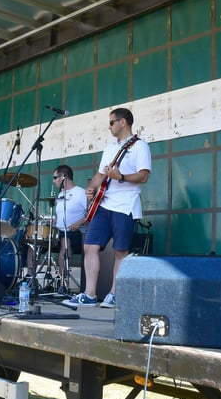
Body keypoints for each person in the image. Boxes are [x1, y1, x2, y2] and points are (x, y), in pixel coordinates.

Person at [64, 108, 151, 308]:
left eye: (112, 122)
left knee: (120, 251)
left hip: (125, 205)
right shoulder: (110, 148)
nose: (109, 126)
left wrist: (121, 177)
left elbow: (144, 175)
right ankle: (90, 294)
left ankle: (114, 294)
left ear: (123, 122)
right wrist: (91, 187)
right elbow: (100, 174)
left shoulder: (140, 146)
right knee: (89, 246)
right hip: (103, 205)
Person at [52, 165, 87, 284]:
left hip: (75, 233)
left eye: (55, 177)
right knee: (33, 243)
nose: (53, 180)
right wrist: (54, 221)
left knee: (65, 241)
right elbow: (61, 215)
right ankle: (29, 279)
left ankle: (62, 282)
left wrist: (79, 222)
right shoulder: (60, 194)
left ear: (63, 177)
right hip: (59, 231)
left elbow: (92, 214)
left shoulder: (81, 193)